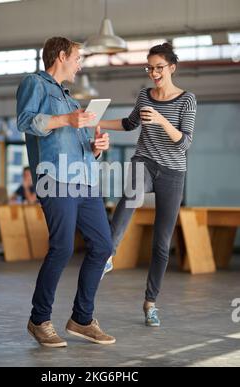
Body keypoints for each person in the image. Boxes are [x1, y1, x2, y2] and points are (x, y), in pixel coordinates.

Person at [16, 37, 115, 348]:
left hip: (85, 180)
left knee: (102, 246)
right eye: (78, 58)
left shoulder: (72, 101)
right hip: (55, 178)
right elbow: (25, 121)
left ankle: (82, 319)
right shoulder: (35, 83)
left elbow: (80, 147)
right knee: (62, 248)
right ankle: (39, 319)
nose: (80, 64)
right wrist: (65, 120)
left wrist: (97, 149)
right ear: (61, 56)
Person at [99, 43, 197, 327]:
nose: (153, 73)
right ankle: (107, 254)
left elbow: (185, 141)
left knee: (161, 244)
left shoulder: (187, 99)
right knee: (130, 198)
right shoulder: (144, 95)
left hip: (173, 171)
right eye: (149, 67)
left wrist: (161, 120)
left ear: (171, 68)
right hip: (145, 160)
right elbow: (130, 124)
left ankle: (150, 302)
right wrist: (94, 122)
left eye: (158, 67)